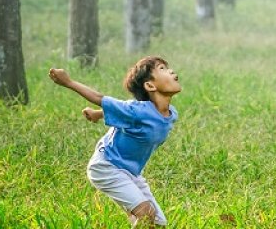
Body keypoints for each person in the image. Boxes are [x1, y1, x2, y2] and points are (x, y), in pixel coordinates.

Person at [49, 57, 181, 227]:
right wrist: (68, 82)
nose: (170, 71)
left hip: (131, 173)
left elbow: (124, 114)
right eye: (162, 69)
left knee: (157, 223)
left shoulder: (171, 114)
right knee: (146, 214)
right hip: (107, 166)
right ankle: (136, 214)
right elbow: (100, 98)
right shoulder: (137, 111)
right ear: (150, 86)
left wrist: (98, 114)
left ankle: (135, 216)